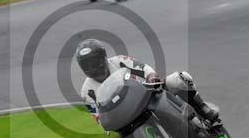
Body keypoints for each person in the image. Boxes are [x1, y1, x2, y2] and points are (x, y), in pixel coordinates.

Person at [76, 39, 219, 125]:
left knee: (179, 78)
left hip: (148, 93)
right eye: (87, 64)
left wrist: (151, 77)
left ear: (103, 58)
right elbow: (99, 118)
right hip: (127, 116)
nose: (92, 67)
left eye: (94, 61)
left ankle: (202, 108)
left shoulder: (119, 61)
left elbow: (145, 69)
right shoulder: (87, 91)